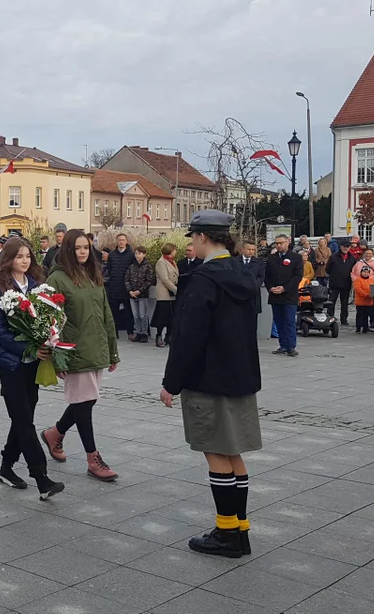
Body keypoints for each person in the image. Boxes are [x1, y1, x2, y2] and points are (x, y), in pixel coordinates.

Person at [160, 209, 261, 559]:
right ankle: (241, 528)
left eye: (193, 238)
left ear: (202, 237)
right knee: (233, 453)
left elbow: (188, 337)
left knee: (215, 452)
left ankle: (226, 532)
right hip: (239, 375)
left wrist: (170, 383)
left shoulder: (202, 280)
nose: (192, 243)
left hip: (208, 377)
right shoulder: (243, 272)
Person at [0, 237, 65, 499]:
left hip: (34, 364)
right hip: (11, 364)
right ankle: (41, 478)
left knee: (23, 417)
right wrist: (28, 348)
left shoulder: (36, 286)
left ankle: (6, 466)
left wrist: (48, 339)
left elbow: (48, 318)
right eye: (19, 256)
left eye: (27, 256)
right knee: (24, 421)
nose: (24, 260)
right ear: (8, 259)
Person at [41, 229, 120, 482]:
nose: (83, 251)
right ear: (68, 250)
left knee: (87, 401)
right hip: (73, 349)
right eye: (77, 248)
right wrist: (57, 356)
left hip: (95, 347)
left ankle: (55, 433)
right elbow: (49, 320)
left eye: (86, 247)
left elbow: (105, 311)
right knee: (84, 405)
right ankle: (92, 458)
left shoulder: (92, 274)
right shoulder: (58, 279)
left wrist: (112, 349)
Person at [265, 234, 303, 357]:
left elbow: (297, 276)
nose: (279, 245)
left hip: (289, 295)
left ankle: (291, 346)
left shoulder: (296, 257)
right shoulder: (272, 258)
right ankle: (282, 345)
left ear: (288, 242)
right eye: (277, 243)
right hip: (275, 295)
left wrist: (285, 288)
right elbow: (267, 276)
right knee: (279, 321)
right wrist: (270, 287)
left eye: (281, 243)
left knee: (289, 321)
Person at [104, 233, 135, 340]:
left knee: (128, 312)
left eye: (123, 240)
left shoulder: (131, 254)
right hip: (114, 287)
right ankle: (114, 333)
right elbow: (109, 268)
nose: (121, 242)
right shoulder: (112, 254)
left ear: (126, 241)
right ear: (117, 241)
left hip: (126, 288)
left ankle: (130, 332)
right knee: (113, 313)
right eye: (119, 240)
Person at [124, 245, 155, 343]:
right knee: (136, 315)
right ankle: (138, 332)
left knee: (143, 315)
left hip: (142, 295)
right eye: (136, 253)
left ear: (144, 254)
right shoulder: (131, 266)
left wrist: (140, 291)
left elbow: (149, 280)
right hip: (132, 295)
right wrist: (130, 291)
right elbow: (126, 279)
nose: (137, 255)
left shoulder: (148, 266)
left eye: (139, 253)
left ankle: (144, 333)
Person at [153, 243, 178, 347]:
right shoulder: (161, 262)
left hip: (172, 294)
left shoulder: (172, 262)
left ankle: (169, 336)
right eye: (174, 250)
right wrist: (177, 290)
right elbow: (165, 279)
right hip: (164, 293)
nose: (176, 252)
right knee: (162, 317)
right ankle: (158, 336)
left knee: (171, 317)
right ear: (170, 251)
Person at [326, 242, 356, 325]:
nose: (346, 248)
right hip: (334, 283)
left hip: (346, 284)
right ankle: (330, 317)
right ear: (341, 247)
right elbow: (327, 269)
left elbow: (354, 270)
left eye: (348, 247)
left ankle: (344, 319)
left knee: (344, 303)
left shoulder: (352, 258)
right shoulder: (333, 257)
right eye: (344, 246)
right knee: (331, 302)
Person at [353, 265, 374, 334]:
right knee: (359, 315)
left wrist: (372, 295)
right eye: (364, 272)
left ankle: (365, 328)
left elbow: (373, 288)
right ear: (361, 272)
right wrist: (366, 295)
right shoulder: (358, 280)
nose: (365, 273)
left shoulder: (371, 280)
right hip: (360, 301)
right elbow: (358, 289)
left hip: (368, 301)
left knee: (366, 315)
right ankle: (358, 328)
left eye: (367, 272)